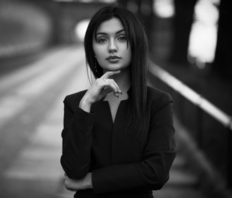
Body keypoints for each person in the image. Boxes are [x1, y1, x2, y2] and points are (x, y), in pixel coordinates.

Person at [60, 4, 176, 198]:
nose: (112, 47)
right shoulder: (76, 104)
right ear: (93, 49)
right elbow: (74, 170)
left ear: (136, 43)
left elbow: (157, 173)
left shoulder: (158, 103)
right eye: (102, 39)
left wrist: (91, 181)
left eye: (122, 38)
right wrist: (86, 105)